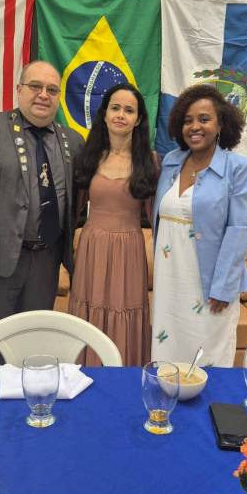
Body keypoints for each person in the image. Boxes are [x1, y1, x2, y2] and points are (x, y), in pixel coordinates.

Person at [0, 60, 84, 364]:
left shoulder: (72, 141)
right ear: (19, 89)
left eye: (52, 89)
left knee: (33, 345)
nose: (43, 95)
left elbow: (80, 200)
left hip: (47, 260)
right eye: (35, 86)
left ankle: (30, 394)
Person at [151, 84, 247, 367]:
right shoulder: (172, 161)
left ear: (221, 124)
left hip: (209, 281)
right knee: (168, 346)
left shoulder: (238, 168)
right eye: (188, 120)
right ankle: (168, 392)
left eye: (204, 119)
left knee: (207, 351)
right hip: (169, 277)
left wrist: (223, 287)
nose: (194, 126)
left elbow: (238, 231)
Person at [68, 83, 158, 366]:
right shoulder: (88, 156)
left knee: (125, 308)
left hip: (129, 250)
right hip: (92, 248)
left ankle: (124, 376)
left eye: (129, 110)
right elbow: (71, 212)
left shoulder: (150, 161)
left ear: (138, 119)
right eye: (115, 108)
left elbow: (157, 217)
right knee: (89, 309)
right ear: (104, 114)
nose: (121, 115)